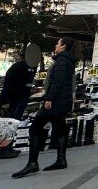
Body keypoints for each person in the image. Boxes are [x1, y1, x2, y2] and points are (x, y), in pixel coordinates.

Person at [12, 37, 77, 177]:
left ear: (63, 46)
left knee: (35, 128)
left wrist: (49, 98)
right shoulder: (68, 61)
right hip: (63, 101)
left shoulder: (61, 61)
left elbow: (58, 81)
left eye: (58, 43)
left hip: (56, 102)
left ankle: (32, 163)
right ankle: (61, 159)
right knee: (60, 128)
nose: (55, 45)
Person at [0, 51, 39, 158]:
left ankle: (7, 148)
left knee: (9, 124)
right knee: (11, 124)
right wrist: (32, 88)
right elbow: (26, 83)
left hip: (10, 99)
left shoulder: (18, 66)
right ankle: (5, 150)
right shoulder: (27, 67)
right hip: (15, 99)